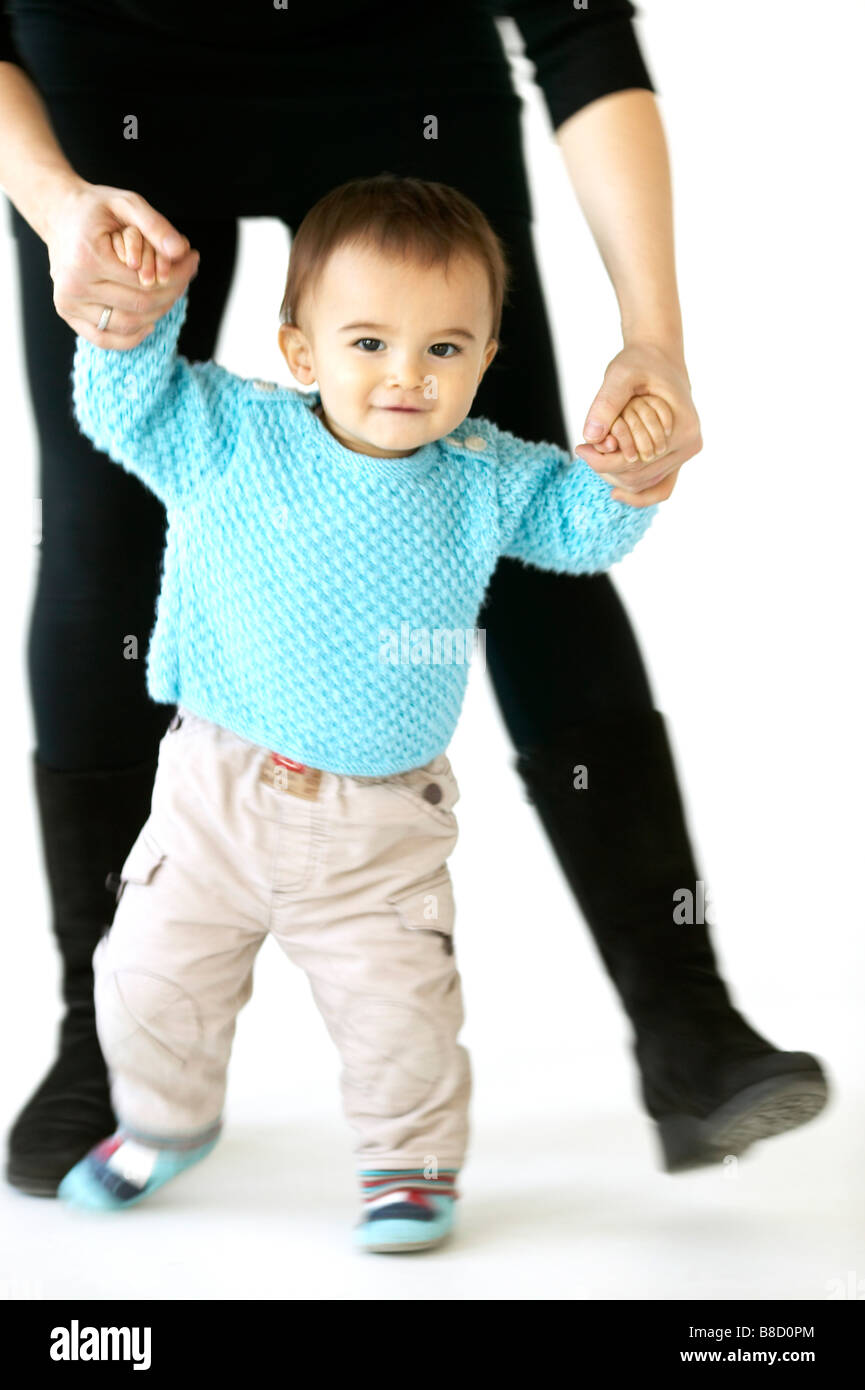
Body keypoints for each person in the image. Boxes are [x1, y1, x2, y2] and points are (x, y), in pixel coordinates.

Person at [0, 0, 827, 1198]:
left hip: (394, 65)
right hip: (111, 72)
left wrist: (655, 339)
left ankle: (687, 1024)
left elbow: (580, 26)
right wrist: (55, 200)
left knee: (500, 496)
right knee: (96, 537)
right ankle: (105, 1036)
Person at [56, 175, 661, 1252]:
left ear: (484, 359)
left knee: (402, 1016)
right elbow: (122, 407)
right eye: (370, 341)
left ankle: (410, 1170)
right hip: (214, 792)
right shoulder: (234, 433)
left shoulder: (483, 472)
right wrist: (136, 320)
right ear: (301, 353)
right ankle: (160, 1122)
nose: (405, 376)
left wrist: (628, 475)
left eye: (443, 349)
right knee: (148, 978)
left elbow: (580, 531)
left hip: (379, 827)